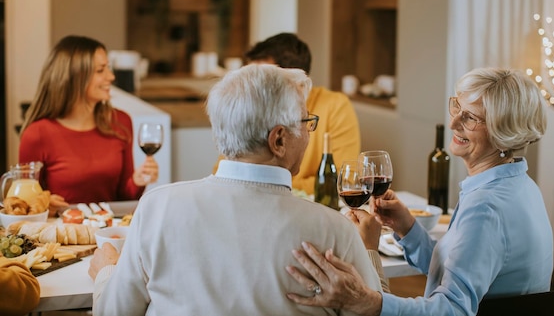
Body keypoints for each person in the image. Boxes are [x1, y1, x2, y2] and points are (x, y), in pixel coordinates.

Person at [88, 63, 382, 315]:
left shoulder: (157, 208)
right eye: (306, 122)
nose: (308, 133)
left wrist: (107, 272)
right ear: (278, 140)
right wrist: (369, 250)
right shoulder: (335, 232)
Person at [286, 67, 554, 316]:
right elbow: (456, 272)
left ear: (503, 132)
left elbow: (453, 309)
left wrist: (364, 300)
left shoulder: (486, 206)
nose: (453, 123)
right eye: (457, 107)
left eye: (470, 118)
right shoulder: (521, 186)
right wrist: (408, 228)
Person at [19, 35, 158, 216]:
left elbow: (123, 197)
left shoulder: (120, 122)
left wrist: (137, 181)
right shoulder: (37, 134)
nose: (111, 76)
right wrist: (45, 204)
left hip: (109, 230)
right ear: (75, 77)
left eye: (108, 68)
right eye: (101, 70)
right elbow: (24, 205)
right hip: (63, 234)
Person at [236, 32, 361, 195]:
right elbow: (227, 170)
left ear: (295, 79)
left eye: (263, 79)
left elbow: (342, 179)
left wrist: (269, 182)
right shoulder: (250, 107)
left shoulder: (335, 107)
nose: (254, 88)